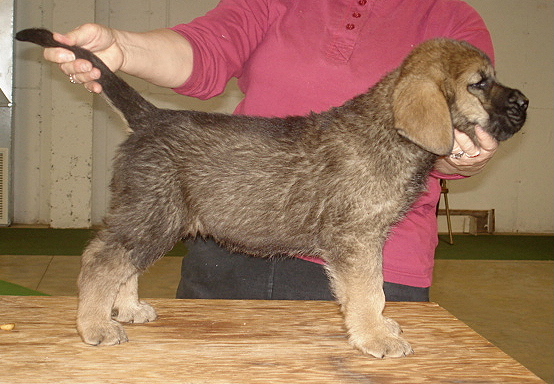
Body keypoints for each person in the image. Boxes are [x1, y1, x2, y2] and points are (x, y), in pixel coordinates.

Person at [44, 0, 499, 302]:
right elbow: (207, 49)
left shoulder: (451, 20)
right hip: (235, 226)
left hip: (377, 258)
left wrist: (458, 152)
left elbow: (459, 122)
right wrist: (121, 48)